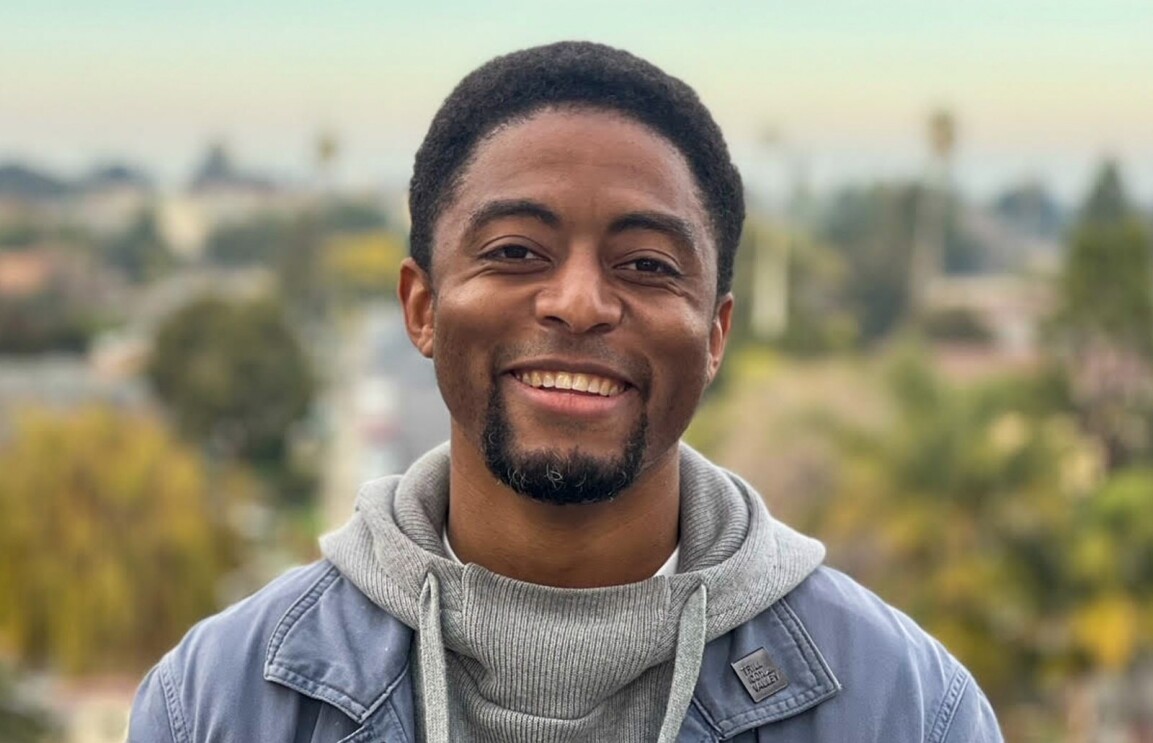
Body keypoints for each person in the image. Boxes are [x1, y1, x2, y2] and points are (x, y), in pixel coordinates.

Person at [128, 41, 1003, 742]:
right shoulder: (218, 701)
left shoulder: (905, 707)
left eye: (647, 265)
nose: (579, 302)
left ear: (715, 334)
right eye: (515, 251)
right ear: (422, 305)